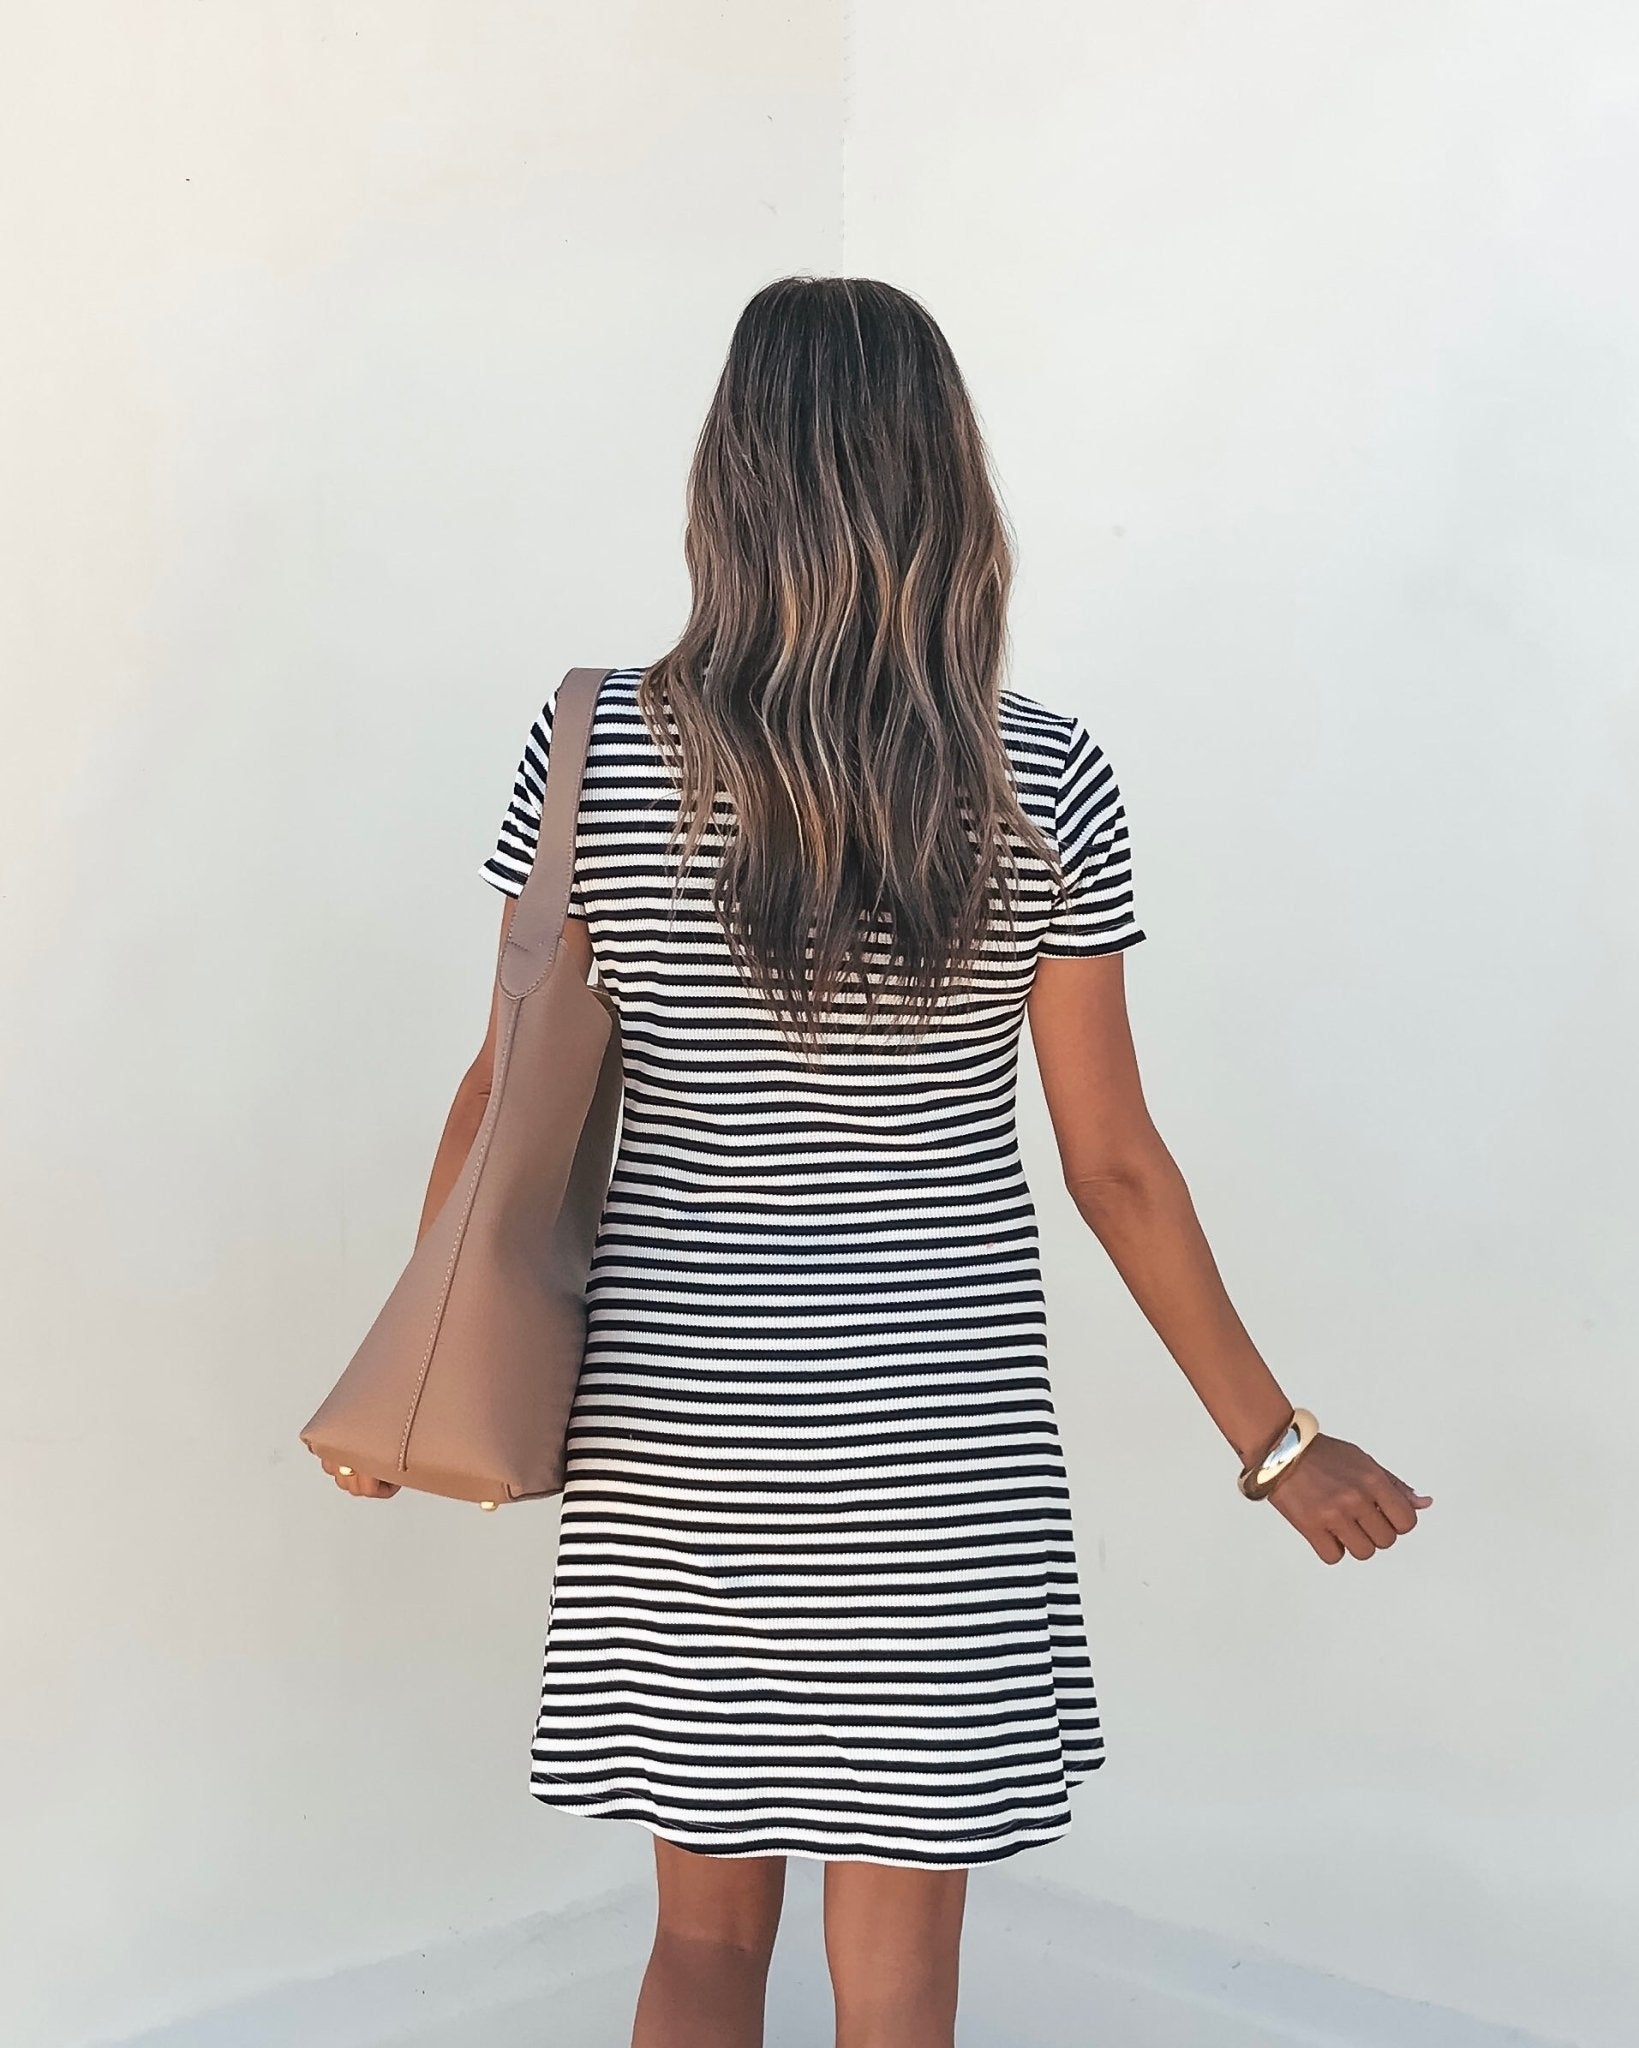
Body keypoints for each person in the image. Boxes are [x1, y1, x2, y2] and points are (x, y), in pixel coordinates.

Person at [315, 276, 1433, 2048]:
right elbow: (1116, 1163)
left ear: (727, 480)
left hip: (683, 1434)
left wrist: (405, 1382)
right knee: (900, 1979)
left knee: (698, 1951)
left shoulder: (594, 746)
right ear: (950, 488)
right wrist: (1276, 1444)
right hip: (933, 1449)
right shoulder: (1044, 778)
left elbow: (498, 1094)